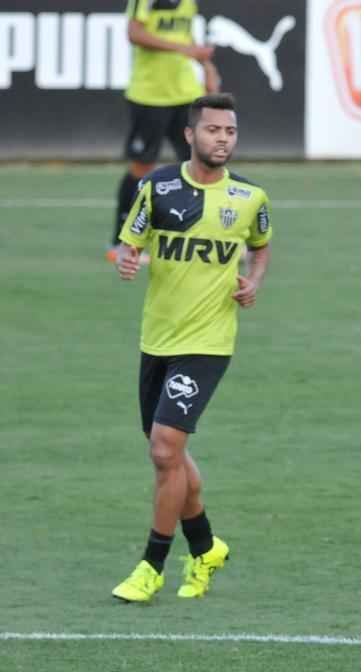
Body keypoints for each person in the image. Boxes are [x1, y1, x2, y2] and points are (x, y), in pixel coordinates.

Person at [110, 93, 272, 603]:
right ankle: (206, 546)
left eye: (229, 132)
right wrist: (127, 260)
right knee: (169, 458)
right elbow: (131, 241)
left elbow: (261, 246)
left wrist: (254, 280)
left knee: (164, 448)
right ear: (190, 135)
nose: (222, 139)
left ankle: (151, 565)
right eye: (213, 131)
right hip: (156, 338)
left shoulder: (250, 198)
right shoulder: (155, 186)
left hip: (208, 343)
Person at [107, 0, 221, 263]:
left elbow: (186, 34)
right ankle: (121, 244)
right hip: (150, 95)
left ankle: (209, 240)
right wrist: (185, 49)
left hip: (186, 92)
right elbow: (134, 33)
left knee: (203, 164)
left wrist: (207, 67)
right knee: (142, 167)